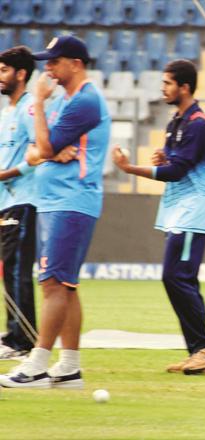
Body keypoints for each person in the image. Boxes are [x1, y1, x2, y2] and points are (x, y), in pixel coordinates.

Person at [0, 35, 110, 389]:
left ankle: (36, 364)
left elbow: (42, 146)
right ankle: (69, 367)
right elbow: (35, 152)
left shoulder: (85, 101)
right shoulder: (68, 99)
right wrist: (45, 149)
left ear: (75, 63)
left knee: (51, 283)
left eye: (54, 60)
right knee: (65, 285)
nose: (47, 67)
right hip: (56, 201)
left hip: (70, 201)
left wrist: (39, 106)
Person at [112, 59, 205, 375]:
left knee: (176, 277)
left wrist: (130, 168)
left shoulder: (199, 123)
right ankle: (201, 352)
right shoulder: (177, 121)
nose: (163, 89)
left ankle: (204, 348)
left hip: (193, 211)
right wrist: (164, 157)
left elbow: (176, 172)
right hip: (177, 210)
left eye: (167, 83)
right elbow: (174, 161)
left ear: (184, 87)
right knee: (181, 279)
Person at [0, 46, 37, 360]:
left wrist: (5, 174)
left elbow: (39, 154)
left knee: (16, 268)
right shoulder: (7, 111)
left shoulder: (29, 109)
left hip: (24, 199)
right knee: (9, 267)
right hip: (6, 201)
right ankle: (15, 331)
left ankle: (22, 340)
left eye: (3, 71)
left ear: (20, 73)